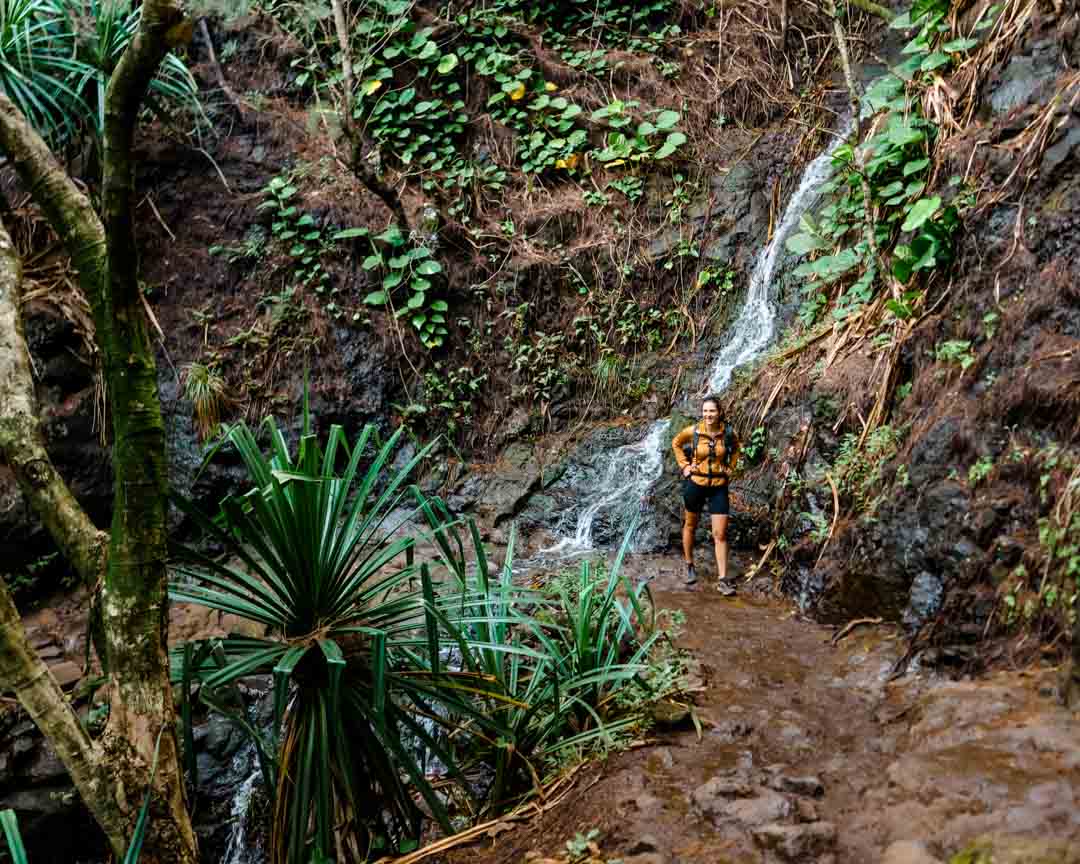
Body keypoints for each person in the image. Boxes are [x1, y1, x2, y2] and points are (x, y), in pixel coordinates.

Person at [671, 396, 740, 590]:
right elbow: (676, 443)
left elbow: (736, 448)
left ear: (719, 412)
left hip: (718, 486)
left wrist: (731, 467)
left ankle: (723, 579)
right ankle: (689, 566)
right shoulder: (693, 431)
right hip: (696, 484)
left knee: (720, 533)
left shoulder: (728, 433)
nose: (708, 415)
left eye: (712, 411)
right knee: (690, 525)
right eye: (705, 411)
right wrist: (685, 466)